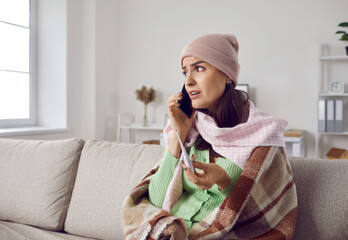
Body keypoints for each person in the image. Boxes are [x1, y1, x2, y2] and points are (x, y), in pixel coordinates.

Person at [121, 33, 297, 240]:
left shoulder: (263, 136)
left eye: (199, 68)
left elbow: (258, 218)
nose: (189, 81)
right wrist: (179, 133)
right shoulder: (192, 131)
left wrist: (223, 181)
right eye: (185, 72)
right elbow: (158, 201)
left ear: (227, 75)